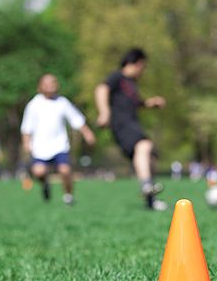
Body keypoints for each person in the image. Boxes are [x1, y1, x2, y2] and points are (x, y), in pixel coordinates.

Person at [94, 48, 168, 211]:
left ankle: (151, 200)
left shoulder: (132, 84)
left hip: (132, 123)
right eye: (144, 67)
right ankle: (146, 185)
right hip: (121, 124)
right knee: (144, 146)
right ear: (138, 63)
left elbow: (136, 103)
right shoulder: (118, 77)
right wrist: (104, 112)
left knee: (151, 159)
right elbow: (101, 89)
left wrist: (150, 103)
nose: (144, 71)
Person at [21, 74, 96, 206]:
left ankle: (68, 195)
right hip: (40, 147)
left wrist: (87, 133)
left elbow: (76, 119)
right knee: (39, 172)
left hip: (59, 145)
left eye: (53, 83)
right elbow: (27, 127)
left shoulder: (62, 102)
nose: (51, 86)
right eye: (48, 83)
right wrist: (26, 143)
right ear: (40, 86)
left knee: (65, 170)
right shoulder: (33, 105)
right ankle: (45, 184)